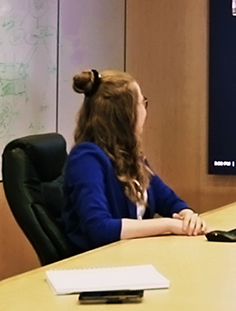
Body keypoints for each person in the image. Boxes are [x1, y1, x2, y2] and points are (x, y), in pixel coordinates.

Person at [62, 69, 207, 253]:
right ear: (124, 114)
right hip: (101, 265)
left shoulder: (129, 154)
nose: (145, 111)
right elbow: (99, 229)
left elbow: (168, 200)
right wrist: (168, 225)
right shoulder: (86, 159)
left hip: (132, 257)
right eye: (142, 103)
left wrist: (187, 215)